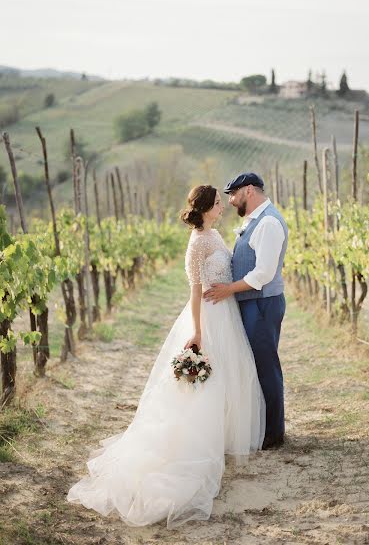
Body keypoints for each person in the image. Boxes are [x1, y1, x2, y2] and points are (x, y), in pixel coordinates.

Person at [66, 185, 265, 528]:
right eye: (218, 203)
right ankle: (196, 446)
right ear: (204, 208)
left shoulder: (215, 233)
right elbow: (195, 291)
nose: (223, 206)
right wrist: (198, 331)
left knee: (231, 377)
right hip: (208, 316)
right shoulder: (197, 244)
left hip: (226, 312)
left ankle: (223, 438)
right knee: (207, 385)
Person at [204, 172, 288, 450]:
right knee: (254, 365)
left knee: (266, 366)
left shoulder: (269, 224)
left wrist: (228, 290)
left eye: (232, 194)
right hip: (252, 303)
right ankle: (261, 427)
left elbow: (263, 273)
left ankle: (274, 434)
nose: (230, 201)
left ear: (248, 190)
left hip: (262, 303)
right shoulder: (255, 222)